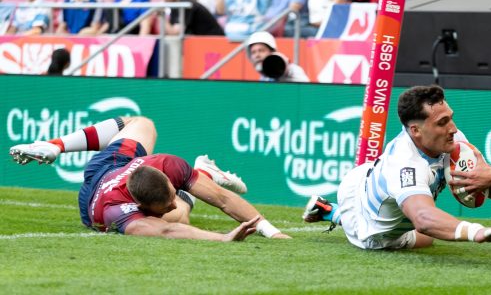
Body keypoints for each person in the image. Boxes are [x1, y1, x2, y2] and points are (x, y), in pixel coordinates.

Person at [303, 85, 491, 250]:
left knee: (435, 227)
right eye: (442, 123)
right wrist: (476, 232)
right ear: (415, 130)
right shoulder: (405, 164)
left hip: (366, 177)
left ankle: (327, 209)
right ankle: (333, 212)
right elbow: (423, 219)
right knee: (427, 238)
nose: (453, 128)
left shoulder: (451, 139)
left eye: (451, 118)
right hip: (372, 230)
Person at [9, 115, 290, 240]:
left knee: (139, 123)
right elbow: (169, 231)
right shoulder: (119, 213)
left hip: (110, 165)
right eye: (166, 203)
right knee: (180, 216)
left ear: (164, 176)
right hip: (96, 198)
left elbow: (222, 198)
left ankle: (56, 145)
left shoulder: (166, 164)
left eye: (173, 191)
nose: (172, 200)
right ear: (143, 208)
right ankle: (204, 171)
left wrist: (270, 231)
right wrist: (224, 238)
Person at [157, 0, 224, 36]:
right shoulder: (176, 6)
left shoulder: (186, 5)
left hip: (215, 42)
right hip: (204, 43)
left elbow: (175, 33)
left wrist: (160, 15)